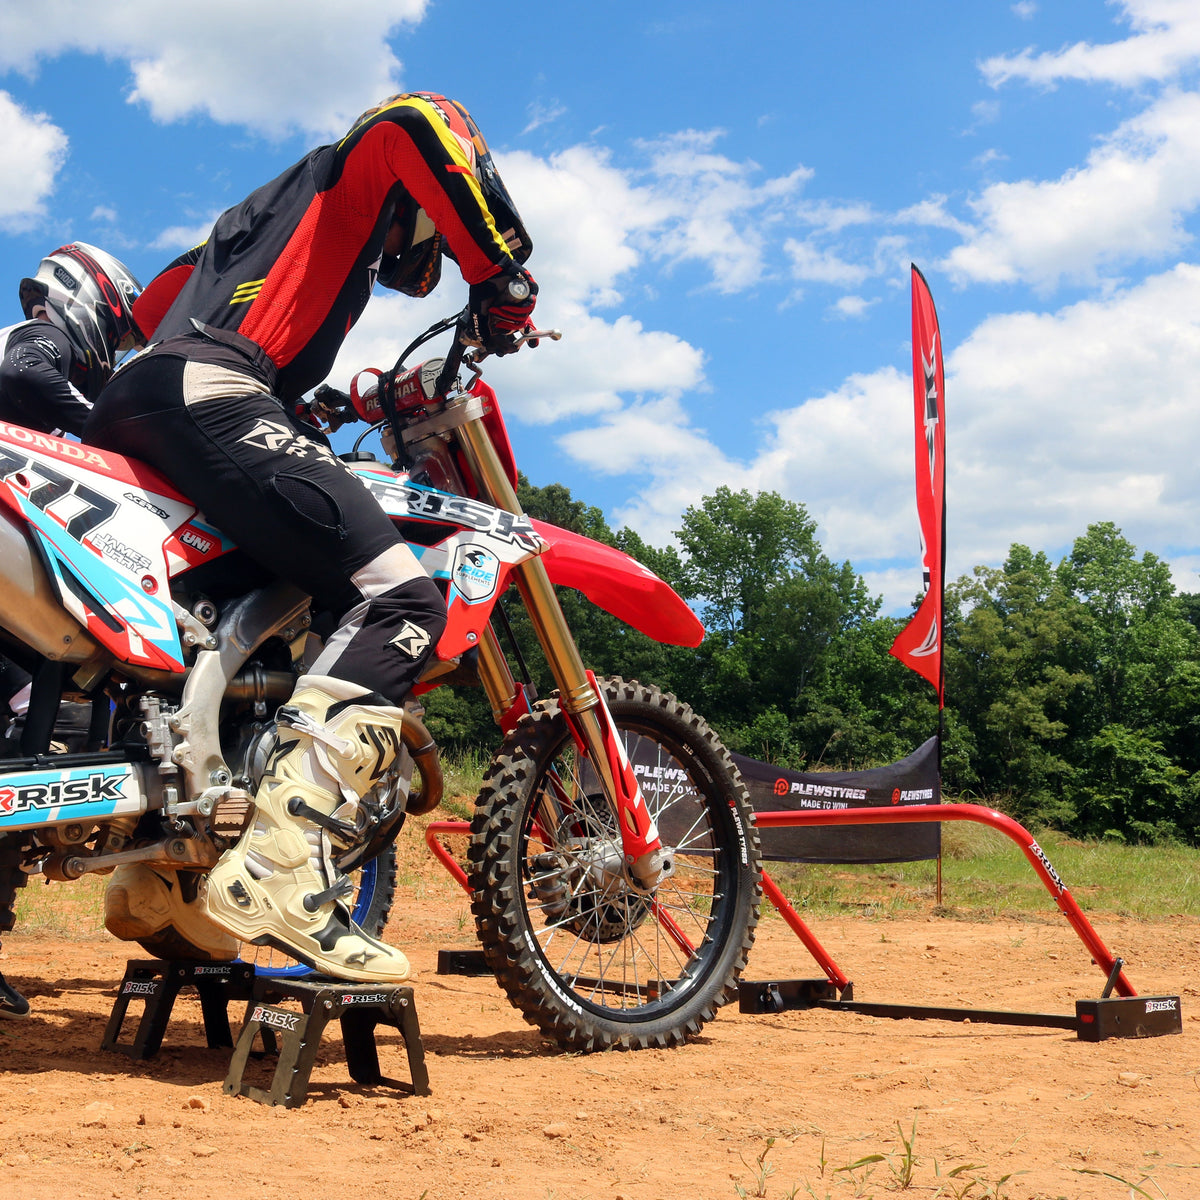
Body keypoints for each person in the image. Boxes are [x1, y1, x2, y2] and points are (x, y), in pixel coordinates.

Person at [85, 92, 537, 983]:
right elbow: (415, 119)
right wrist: (501, 272)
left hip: (145, 399)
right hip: (216, 389)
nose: (424, 262)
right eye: (433, 242)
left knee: (235, 622)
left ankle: (159, 874)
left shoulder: (251, 220)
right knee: (397, 596)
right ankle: (284, 871)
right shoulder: (350, 170)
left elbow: (166, 302)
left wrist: (307, 401)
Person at [0, 243, 146, 1017]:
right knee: (28, 722)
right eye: (118, 336)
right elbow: (30, 372)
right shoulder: (34, 336)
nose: (113, 354)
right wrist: (103, 435)